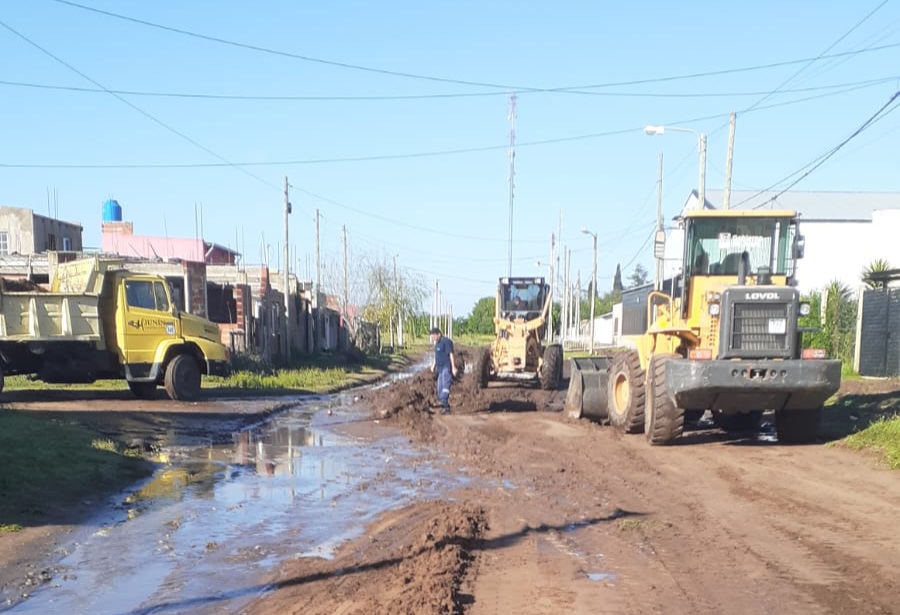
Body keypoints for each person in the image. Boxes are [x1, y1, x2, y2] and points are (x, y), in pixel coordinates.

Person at [429, 326, 457, 413]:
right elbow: (437, 356)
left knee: (446, 384)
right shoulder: (437, 343)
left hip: (446, 367)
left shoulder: (446, 342)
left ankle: (443, 400)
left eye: (433, 335)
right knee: (439, 387)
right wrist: (433, 365)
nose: (432, 337)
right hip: (440, 368)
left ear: (439, 334)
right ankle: (446, 407)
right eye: (431, 336)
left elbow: (451, 354)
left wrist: (453, 367)